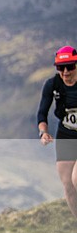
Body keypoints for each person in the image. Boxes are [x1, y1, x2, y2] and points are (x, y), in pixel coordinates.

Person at [37, 45, 77, 220]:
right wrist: (43, 132)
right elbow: (41, 114)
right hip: (66, 136)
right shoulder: (52, 85)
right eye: (61, 67)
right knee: (68, 186)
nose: (66, 72)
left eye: (70, 66)